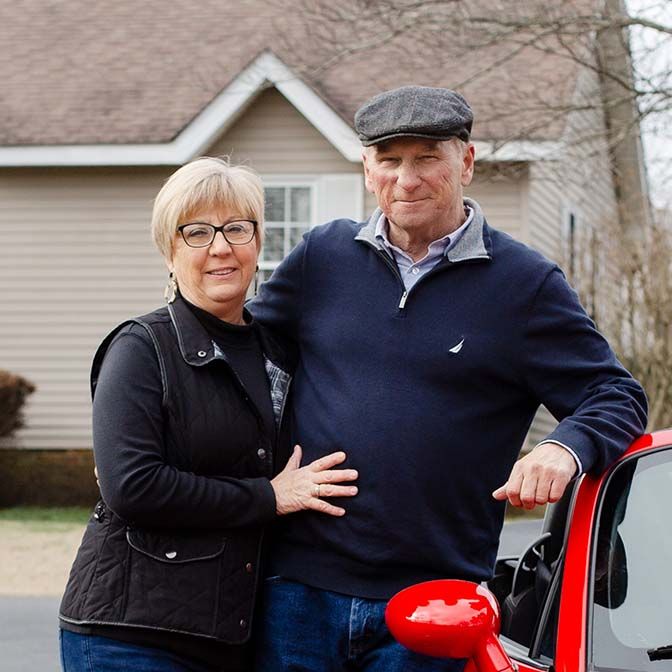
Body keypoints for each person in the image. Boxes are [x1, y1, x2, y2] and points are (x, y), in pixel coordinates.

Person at [249, 86, 648, 671]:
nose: (406, 179)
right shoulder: (320, 258)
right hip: (297, 591)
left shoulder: (526, 285)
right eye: (389, 159)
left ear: (466, 161)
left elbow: (615, 395)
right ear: (367, 170)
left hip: (435, 606)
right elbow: (234, 355)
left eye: (426, 157)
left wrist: (565, 448)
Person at [58, 157, 359, 672]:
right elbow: (132, 487)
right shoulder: (142, 347)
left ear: (258, 241)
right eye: (196, 232)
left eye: (236, 228)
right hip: (130, 636)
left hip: (228, 636)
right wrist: (269, 496)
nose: (220, 247)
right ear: (169, 251)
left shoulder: (277, 351)